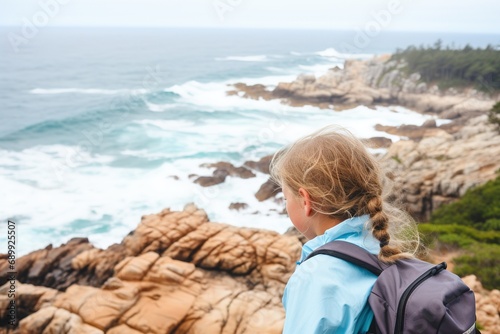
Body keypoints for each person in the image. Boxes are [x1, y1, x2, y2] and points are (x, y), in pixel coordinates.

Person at [269, 125, 420, 334]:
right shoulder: (382, 247)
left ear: (306, 201)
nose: (285, 204)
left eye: (286, 198)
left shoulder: (316, 276)